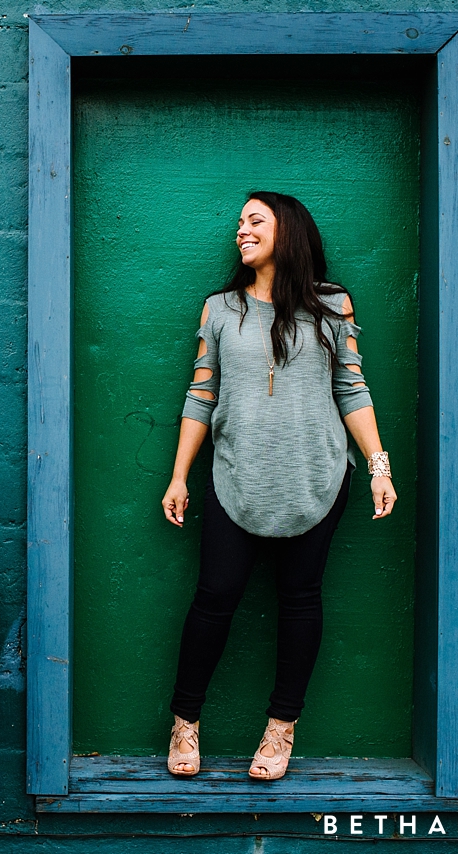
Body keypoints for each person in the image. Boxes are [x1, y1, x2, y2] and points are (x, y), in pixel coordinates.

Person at [160, 192, 397, 781]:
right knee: (214, 599)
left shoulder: (332, 306)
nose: (240, 230)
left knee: (300, 600)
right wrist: (179, 475)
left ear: (286, 231)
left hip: (315, 477)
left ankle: (280, 727)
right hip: (233, 477)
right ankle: (185, 721)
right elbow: (201, 394)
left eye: (254, 221)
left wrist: (378, 465)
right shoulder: (219, 309)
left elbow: (352, 389)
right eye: (239, 222)